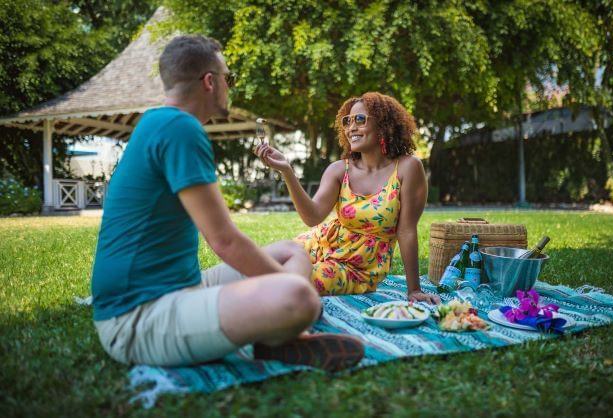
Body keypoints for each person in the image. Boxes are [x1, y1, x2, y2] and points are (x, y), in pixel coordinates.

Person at [90, 35, 363, 372]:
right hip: (135, 318)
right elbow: (224, 240)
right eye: (228, 79)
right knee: (301, 298)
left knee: (294, 252)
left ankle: (273, 332)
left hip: (178, 288)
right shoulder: (180, 129)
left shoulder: (157, 121)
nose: (229, 87)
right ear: (210, 81)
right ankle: (282, 324)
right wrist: (284, 284)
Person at [255, 92, 440, 305]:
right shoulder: (338, 170)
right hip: (320, 243)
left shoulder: (407, 168)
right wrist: (287, 171)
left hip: (355, 268)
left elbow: (406, 230)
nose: (351, 127)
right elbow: (312, 217)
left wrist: (414, 289)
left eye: (360, 119)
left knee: (290, 283)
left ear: (384, 125)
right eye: (347, 121)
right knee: (262, 263)